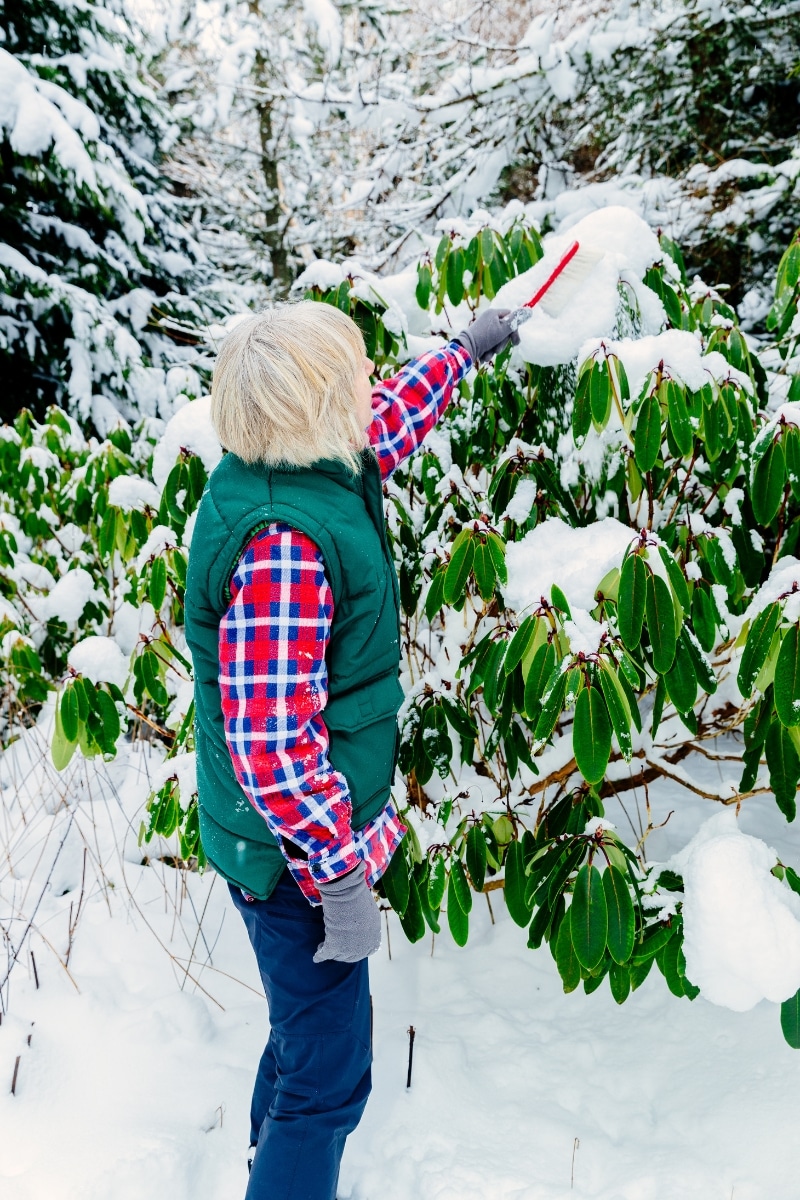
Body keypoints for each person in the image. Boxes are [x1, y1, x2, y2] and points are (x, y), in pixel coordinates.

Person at [183, 299, 518, 1200]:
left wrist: (461, 354)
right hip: (291, 858)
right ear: (317, 408)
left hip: (278, 843)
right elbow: (273, 749)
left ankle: (267, 1162)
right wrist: (337, 878)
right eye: (354, 380)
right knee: (330, 1080)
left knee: (306, 1041)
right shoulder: (285, 547)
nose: (371, 392)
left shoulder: (292, 467)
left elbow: (389, 423)